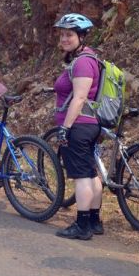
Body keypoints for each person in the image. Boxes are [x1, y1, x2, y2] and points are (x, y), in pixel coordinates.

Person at [51, 13, 104, 240]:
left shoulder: (82, 62)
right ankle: (94, 220)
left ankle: (82, 225)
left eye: (69, 34)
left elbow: (80, 98)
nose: (64, 38)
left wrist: (66, 127)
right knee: (92, 174)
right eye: (62, 34)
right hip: (90, 125)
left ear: (81, 36)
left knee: (82, 176)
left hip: (80, 125)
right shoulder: (88, 58)